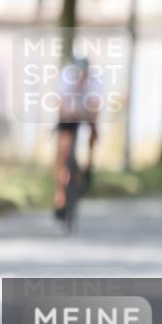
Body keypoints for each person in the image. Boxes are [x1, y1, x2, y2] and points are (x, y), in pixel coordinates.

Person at [53, 55, 102, 220]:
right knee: (63, 147)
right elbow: (61, 106)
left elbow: (95, 107)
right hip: (68, 115)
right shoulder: (66, 78)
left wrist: (90, 119)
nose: (81, 78)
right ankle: (59, 195)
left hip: (85, 112)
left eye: (84, 74)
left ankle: (89, 165)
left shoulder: (95, 81)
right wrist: (69, 114)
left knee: (94, 131)